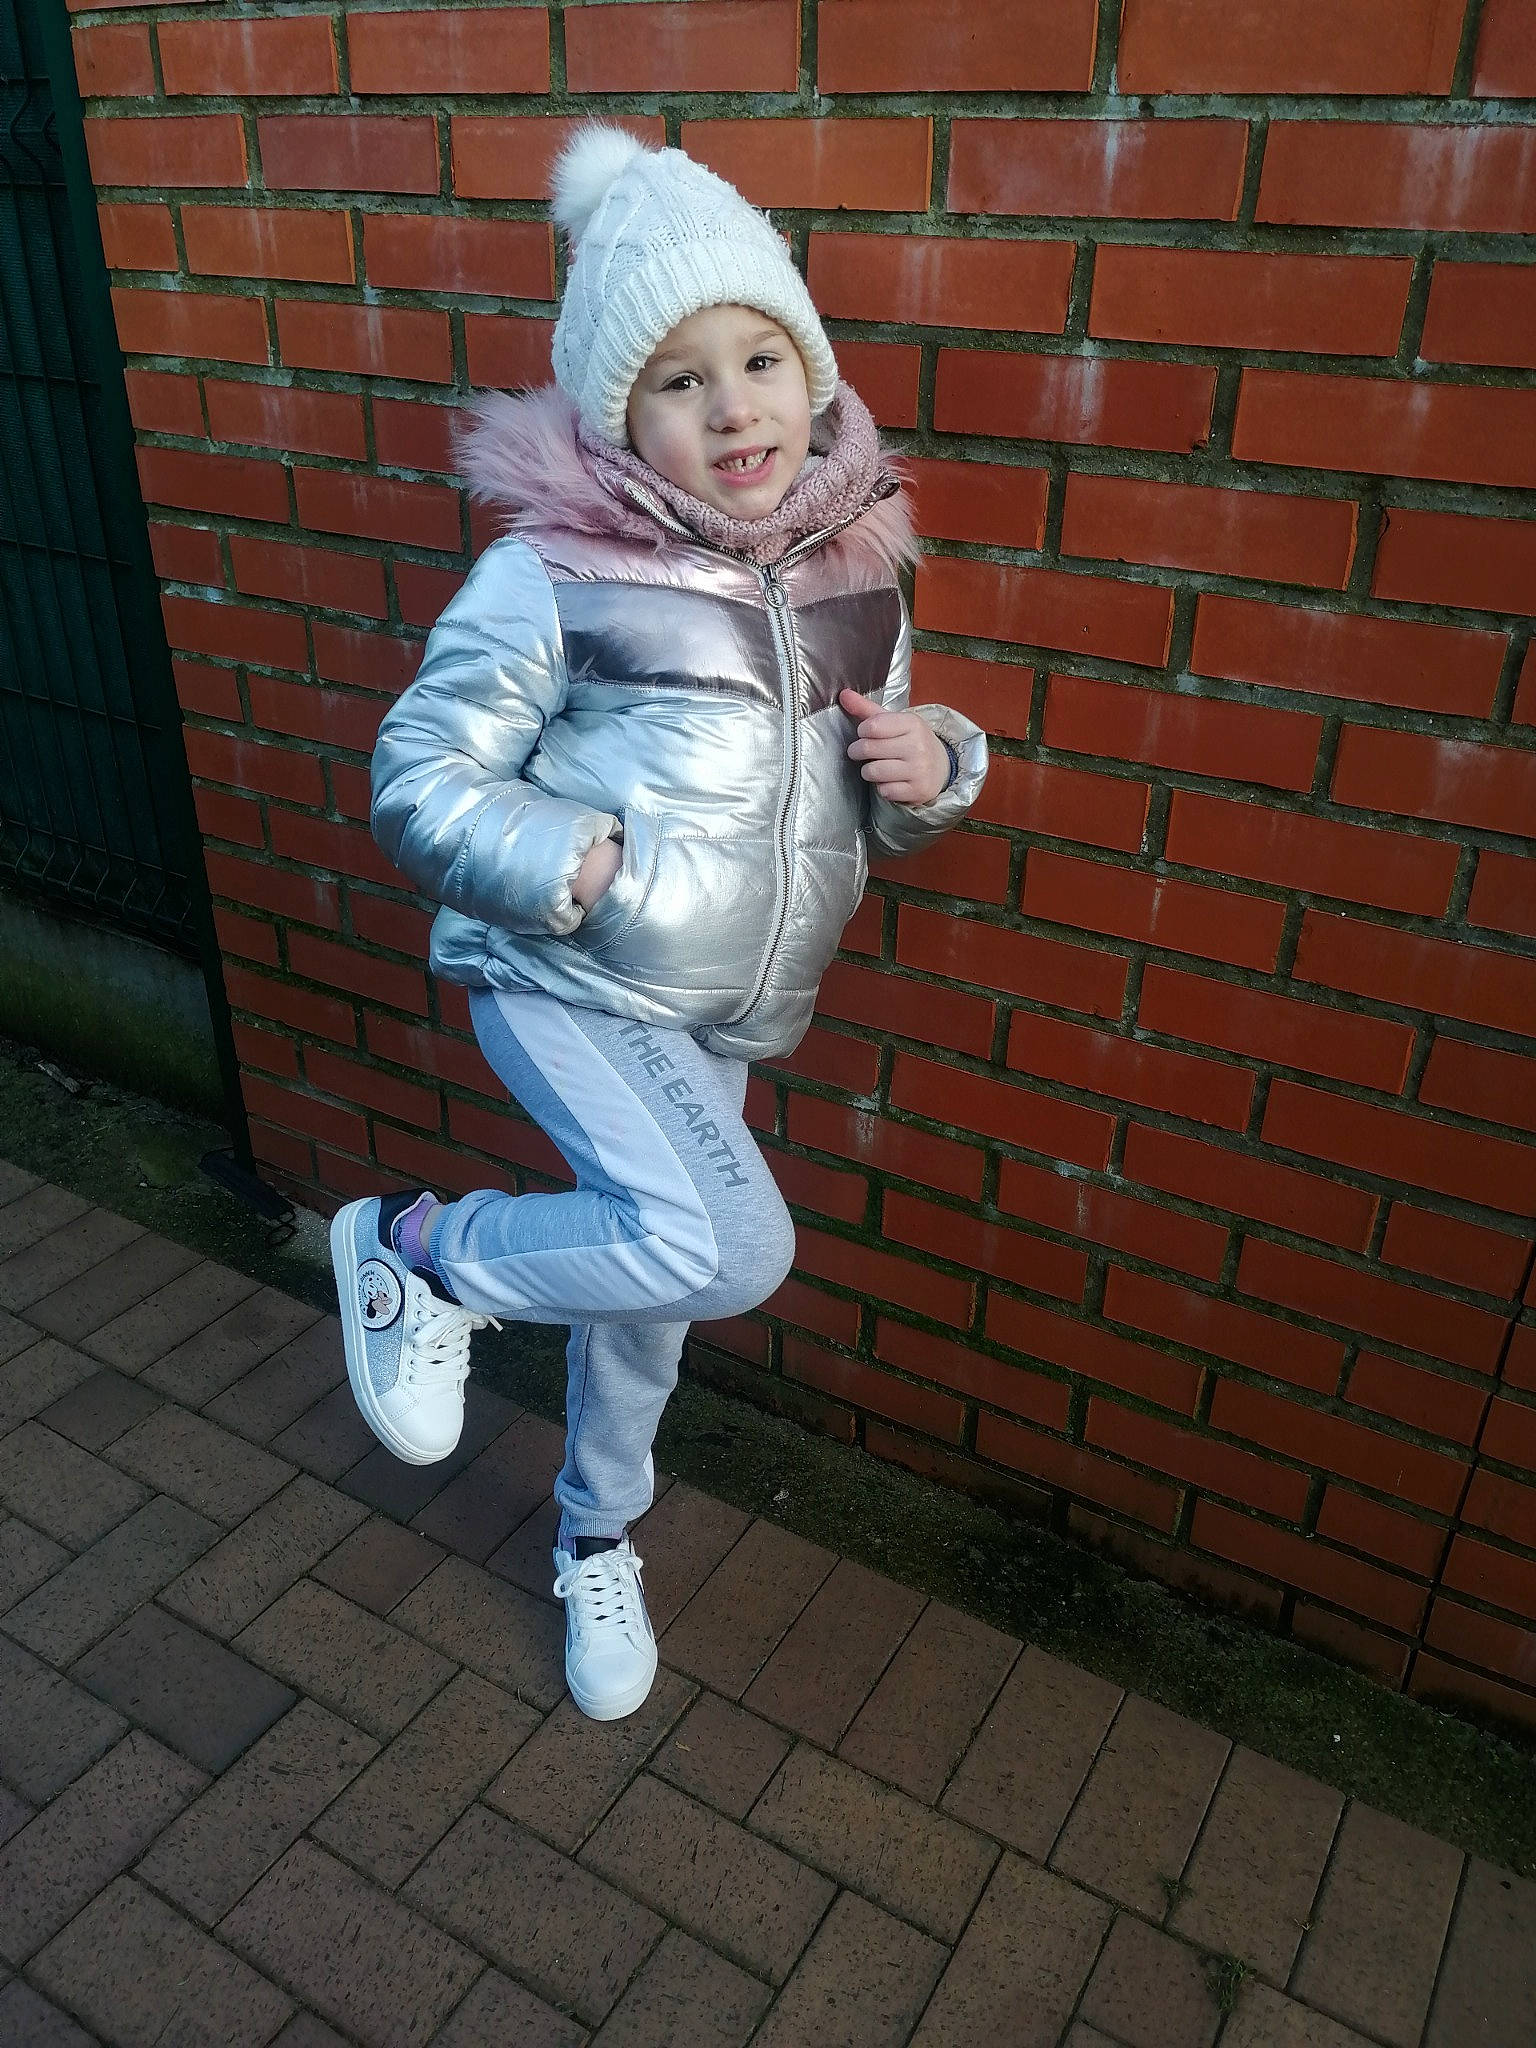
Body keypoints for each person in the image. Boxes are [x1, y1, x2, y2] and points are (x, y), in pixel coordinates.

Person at [330, 125, 988, 1722]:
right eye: (681, 380)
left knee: (655, 1297)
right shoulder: (551, 572)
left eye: (760, 358)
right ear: (620, 414)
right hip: (564, 966)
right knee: (724, 1242)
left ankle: (593, 1535)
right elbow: (418, 776)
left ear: (811, 374)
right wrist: (582, 866)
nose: (733, 405)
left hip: (719, 1008)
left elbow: (867, 805)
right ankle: (416, 1252)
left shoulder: (856, 578)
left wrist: (940, 763)